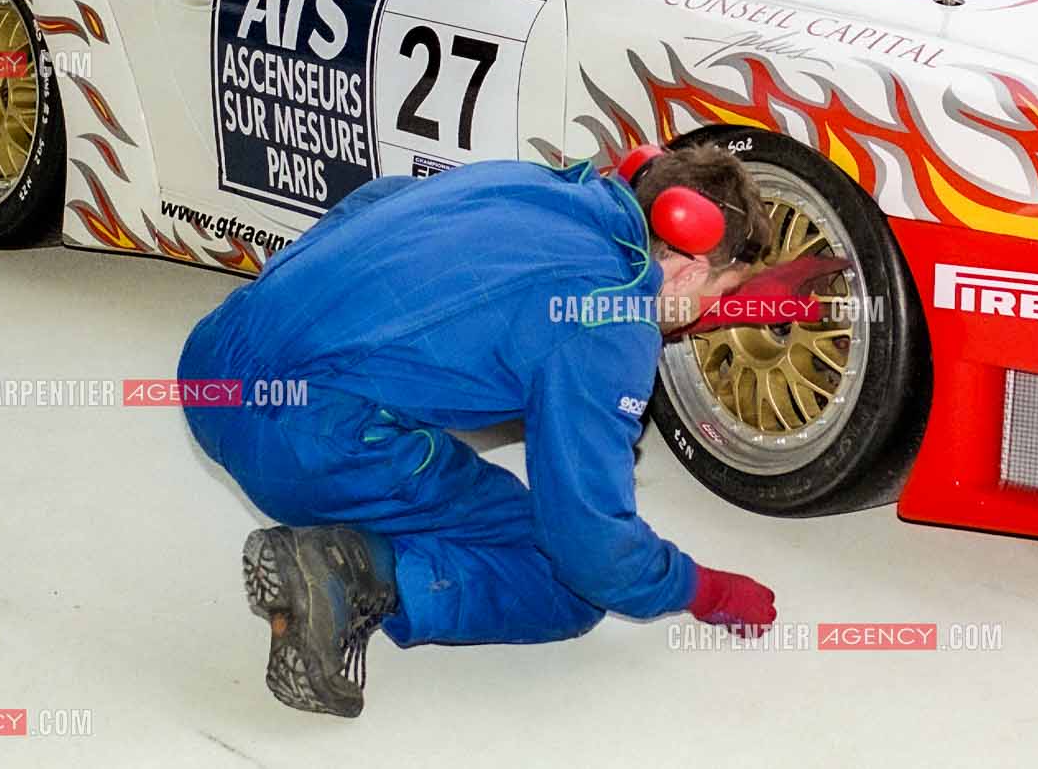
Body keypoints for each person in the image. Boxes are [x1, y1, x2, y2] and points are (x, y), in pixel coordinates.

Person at [178, 144, 825, 716]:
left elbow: (376, 202)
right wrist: (699, 587)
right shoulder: (609, 321)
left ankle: (356, 520)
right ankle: (354, 572)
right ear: (684, 270)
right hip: (301, 441)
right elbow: (591, 546)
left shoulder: (527, 183)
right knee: (561, 584)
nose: (707, 314)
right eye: (718, 294)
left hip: (212, 362)